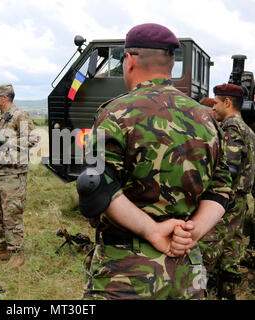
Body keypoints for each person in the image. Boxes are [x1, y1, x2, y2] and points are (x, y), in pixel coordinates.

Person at [78, 23, 232, 300]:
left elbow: (96, 187)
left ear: (129, 60)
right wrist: (191, 233)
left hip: (125, 272)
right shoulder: (207, 118)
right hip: (187, 269)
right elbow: (221, 189)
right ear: (171, 63)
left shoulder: (115, 114)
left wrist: (152, 230)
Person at [199, 84, 255, 299]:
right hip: (240, 202)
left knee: (205, 249)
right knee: (231, 252)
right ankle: (227, 295)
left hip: (226, 201)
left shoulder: (231, 128)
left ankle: (199, 292)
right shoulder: (248, 129)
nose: (213, 108)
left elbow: (227, 170)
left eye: (215, 103)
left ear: (227, 103)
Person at [0, 83, 37, 270]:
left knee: (12, 214)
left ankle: (16, 253)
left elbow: (32, 138)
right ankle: (1, 249)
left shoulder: (20, 115)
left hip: (13, 174)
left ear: (4, 98)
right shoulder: (1, 118)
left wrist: (8, 140)